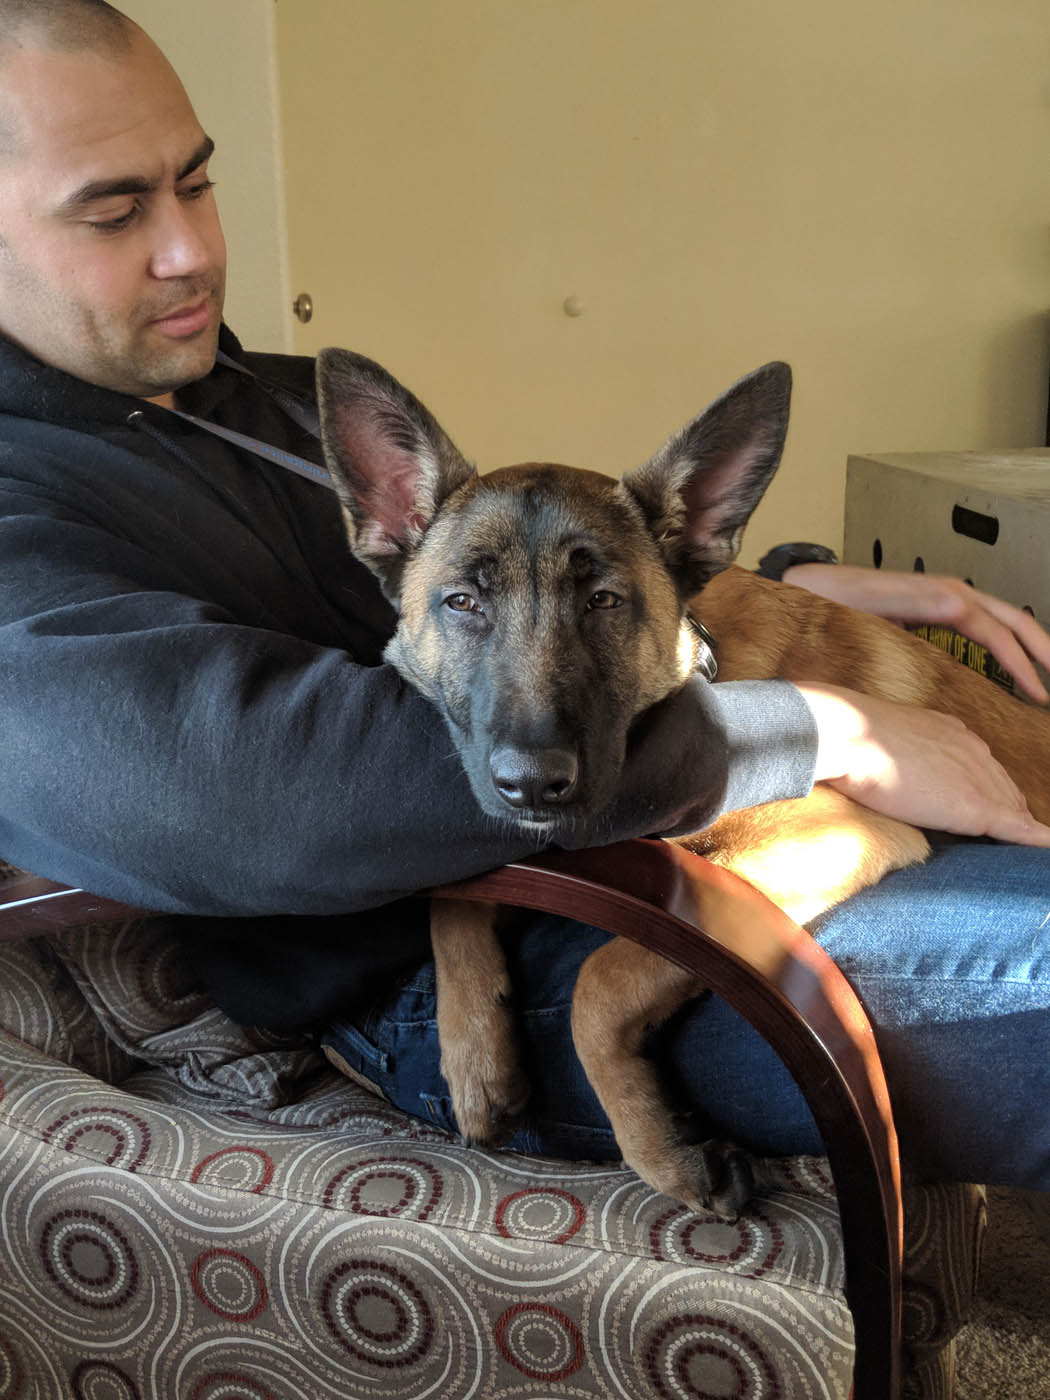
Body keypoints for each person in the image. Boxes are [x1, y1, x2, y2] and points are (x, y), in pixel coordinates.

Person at [1, 0, 1048, 1190]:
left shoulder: (272, 401)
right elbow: (244, 788)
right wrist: (811, 730)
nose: (189, 247)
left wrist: (778, 588)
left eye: (195, 182)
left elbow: (519, 584)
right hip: (462, 981)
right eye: (116, 210)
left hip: (617, 872)